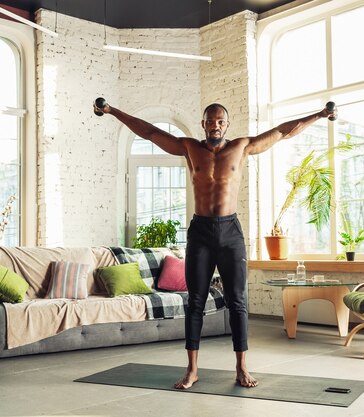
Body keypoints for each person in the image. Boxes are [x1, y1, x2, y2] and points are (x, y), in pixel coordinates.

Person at [94, 100, 337, 389]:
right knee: (195, 301)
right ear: (203, 124)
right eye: (211, 121)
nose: (216, 125)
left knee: (237, 302)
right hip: (200, 231)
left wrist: (320, 115)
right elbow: (148, 132)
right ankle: (192, 369)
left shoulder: (242, 147)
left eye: (221, 121)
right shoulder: (189, 147)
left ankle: (242, 367)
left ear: (226, 124)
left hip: (230, 232)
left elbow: (283, 132)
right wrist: (111, 111)